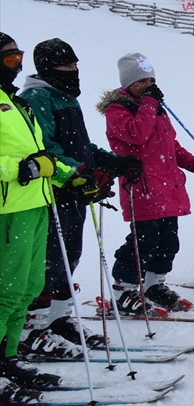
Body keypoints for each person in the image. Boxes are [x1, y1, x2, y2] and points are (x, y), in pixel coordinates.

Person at [18, 38, 141, 358]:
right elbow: (47, 147)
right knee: (49, 259)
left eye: (75, 65)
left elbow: (79, 146)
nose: (74, 71)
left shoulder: (65, 98)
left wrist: (111, 162)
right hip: (56, 191)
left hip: (76, 191)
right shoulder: (38, 97)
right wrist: (78, 173)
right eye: (67, 65)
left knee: (69, 255)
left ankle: (59, 319)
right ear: (48, 68)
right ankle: (35, 327)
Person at [101, 53, 194, 312]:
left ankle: (154, 284)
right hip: (143, 187)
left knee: (168, 241)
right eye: (141, 81)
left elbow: (170, 145)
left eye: (151, 80)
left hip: (167, 187)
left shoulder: (155, 109)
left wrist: (193, 162)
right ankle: (124, 288)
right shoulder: (118, 109)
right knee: (144, 241)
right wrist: (149, 102)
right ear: (128, 84)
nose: (148, 85)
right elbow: (137, 135)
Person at [0, 32, 75, 391]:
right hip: (8, 209)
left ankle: (8, 355)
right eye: (9, 59)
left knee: (29, 286)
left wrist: (69, 176)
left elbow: (42, 152)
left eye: (18, 58)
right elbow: (23, 162)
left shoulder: (16, 102)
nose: (15, 65)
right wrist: (21, 169)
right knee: (7, 289)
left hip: (36, 204)